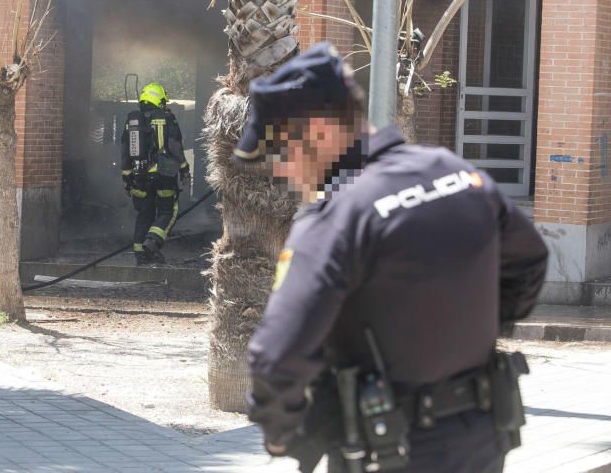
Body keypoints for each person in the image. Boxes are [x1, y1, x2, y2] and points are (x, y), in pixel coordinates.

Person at [235, 42, 549, 473]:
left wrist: (280, 435)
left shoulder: (337, 216)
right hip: (480, 439)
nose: (282, 171)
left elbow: (276, 356)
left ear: (321, 132)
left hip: (390, 450)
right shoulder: (455, 172)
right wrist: (466, 333)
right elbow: (529, 263)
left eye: (279, 152)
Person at [120, 82, 190, 265]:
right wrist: (184, 167)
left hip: (139, 177)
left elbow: (125, 150)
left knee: (145, 213)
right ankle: (152, 242)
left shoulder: (132, 120)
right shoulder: (166, 117)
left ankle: (140, 253)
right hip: (164, 176)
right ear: (158, 99)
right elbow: (174, 145)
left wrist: (127, 177)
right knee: (168, 210)